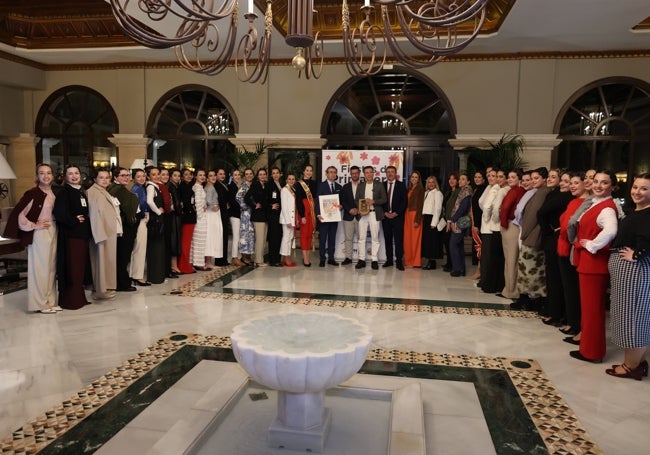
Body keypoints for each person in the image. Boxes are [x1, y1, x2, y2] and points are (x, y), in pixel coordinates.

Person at [568, 170, 620, 363]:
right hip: (589, 264)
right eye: (596, 181)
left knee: (592, 310)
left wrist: (590, 244)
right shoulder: (596, 203)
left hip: (594, 265)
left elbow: (611, 230)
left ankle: (592, 352)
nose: (598, 185)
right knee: (589, 309)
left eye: (604, 183)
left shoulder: (606, 208)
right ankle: (588, 348)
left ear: (612, 186)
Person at [606, 173, 650, 380]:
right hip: (626, 272)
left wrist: (638, 254)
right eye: (635, 187)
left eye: (644, 188)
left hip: (634, 272)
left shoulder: (648, 214)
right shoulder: (637, 212)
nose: (637, 192)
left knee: (634, 318)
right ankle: (636, 363)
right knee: (627, 317)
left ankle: (632, 366)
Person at [4, 163, 59, 313]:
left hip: (53, 230)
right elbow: (18, 214)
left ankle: (50, 301)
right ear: (37, 176)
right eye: (42, 173)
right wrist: (34, 225)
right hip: (40, 233)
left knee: (51, 269)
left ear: (53, 175)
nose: (45, 176)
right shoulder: (33, 193)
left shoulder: (53, 193)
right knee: (40, 269)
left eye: (48, 173)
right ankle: (40, 304)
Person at [53, 165, 92, 309]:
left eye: (76, 173)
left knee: (80, 268)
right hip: (72, 236)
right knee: (73, 269)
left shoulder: (80, 191)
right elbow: (60, 214)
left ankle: (79, 298)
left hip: (81, 235)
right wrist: (75, 220)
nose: (74, 176)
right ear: (65, 177)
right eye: (70, 174)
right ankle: (71, 301)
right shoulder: (64, 192)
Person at [537, 169, 573, 325]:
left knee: (556, 279)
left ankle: (556, 313)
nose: (550, 180)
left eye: (567, 181)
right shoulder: (554, 194)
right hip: (552, 239)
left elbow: (541, 213)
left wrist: (548, 230)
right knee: (553, 278)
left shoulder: (564, 196)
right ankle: (553, 311)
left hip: (557, 240)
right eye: (549, 177)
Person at [558, 172, 589, 341]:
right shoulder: (574, 201)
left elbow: (567, 226)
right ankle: (571, 321)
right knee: (568, 288)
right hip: (564, 246)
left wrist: (564, 232)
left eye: (576, 182)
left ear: (585, 184)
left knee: (572, 289)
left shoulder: (582, 203)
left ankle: (575, 324)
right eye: (571, 183)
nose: (572, 185)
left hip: (570, 248)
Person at [515, 167, 551, 311]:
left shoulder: (542, 193)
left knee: (530, 272)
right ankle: (527, 299)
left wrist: (524, 233)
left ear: (544, 179)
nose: (533, 181)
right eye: (533, 178)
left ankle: (531, 301)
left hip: (532, 236)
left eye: (536, 178)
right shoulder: (538, 192)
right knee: (528, 271)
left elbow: (532, 216)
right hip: (531, 235)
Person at [87, 169, 122, 300]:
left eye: (107, 177)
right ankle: (100, 290)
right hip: (101, 234)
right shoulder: (93, 192)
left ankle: (104, 287)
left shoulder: (102, 191)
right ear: (95, 179)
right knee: (100, 263)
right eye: (101, 177)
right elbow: (94, 215)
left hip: (108, 232)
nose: (105, 180)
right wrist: (99, 235)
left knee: (106, 262)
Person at [107, 167, 138, 293]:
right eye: (123, 175)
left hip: (120, 226)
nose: (126, 178)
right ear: (115, 177)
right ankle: (122, 283)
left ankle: (120, 282)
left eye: (128, 175)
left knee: (120, 255)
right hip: (124, 227)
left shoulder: (117, 189)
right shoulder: (118, 190)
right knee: (122, 256)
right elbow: (128, 210)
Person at [498, 169, 526, 300]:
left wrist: (503, 223)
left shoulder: (514, 191)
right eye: (508, 177)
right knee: (513, 259)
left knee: (510, 260)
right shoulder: (522, 191)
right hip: (515, 225)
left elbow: (504, 208)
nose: (509, 179)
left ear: (519, 179)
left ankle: (511, 291)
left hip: (510, 225)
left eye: (513, 177)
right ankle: (510, 289)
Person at [480, 169, 507, 292]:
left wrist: (487, 218)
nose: (492, 178)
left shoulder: (497, 189)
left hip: (491, 226)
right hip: (488, 225)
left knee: (490, 257)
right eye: (489, 175)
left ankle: (488, 282)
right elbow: (482, 203)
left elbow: (488, 207)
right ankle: (485, 280)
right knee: (487, 256)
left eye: (495, 176)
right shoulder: (489, 188)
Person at [355, 166, 387, 270]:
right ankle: (361, 259)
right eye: (366, 172)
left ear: (374, 173)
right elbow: (357, 200)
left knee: (375, 238)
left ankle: (374, 260)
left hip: (374, 213)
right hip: (363, 215)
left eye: (370, 172)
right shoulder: (360, 186)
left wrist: (373, 201)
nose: (369, 174)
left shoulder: (379, 185)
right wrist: (359, 209)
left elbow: (384, 199)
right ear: (364, 174)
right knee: (361, 238)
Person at [382, 165, 408, 270]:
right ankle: (389, 260)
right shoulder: (382, 185)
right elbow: (379, 200)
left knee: (398, 240)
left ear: (395, 173)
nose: (390, 173)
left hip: (397, 218)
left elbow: (404, 202)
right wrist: (385, 212)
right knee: (387, 239)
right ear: (386, 173)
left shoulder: (401, 185)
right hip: (386, 218)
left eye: (392, 172)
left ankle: (398, 261)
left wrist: (396, 213)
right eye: (388, 172)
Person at [316, 165, 342, 267]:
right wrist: (318, 214)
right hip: (323, 217)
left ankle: (331, 258)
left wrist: (341, 206)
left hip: (334, 218)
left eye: (334, 172)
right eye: (330, 172)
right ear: (326, 173)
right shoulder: (321, 186)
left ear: (336, 174)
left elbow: (341, 202)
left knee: (332, 238)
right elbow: (317, 201)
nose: (332, 174)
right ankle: (322, 258)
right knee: (322, 239)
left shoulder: (339, 187)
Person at [448, 174, 472, 276]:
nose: (461, 181)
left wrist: (453, 219)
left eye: (463, 179)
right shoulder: (462, 191)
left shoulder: (466, 192)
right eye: (460, 179)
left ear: (468, 181)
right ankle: (461, 269)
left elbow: (462, 208)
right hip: (458, 220)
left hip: (459, 221)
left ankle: (457, 269)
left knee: (453, 244)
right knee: (459, 245)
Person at [145, 166, 166, 283]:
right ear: (148, 176)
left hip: (157, 219)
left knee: (158, 248)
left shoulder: (155, 186)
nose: (157, 176)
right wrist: (158, 211)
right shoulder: (151, 187)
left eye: (158, 174)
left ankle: (158, 276)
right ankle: (155, 277)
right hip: (155, 221)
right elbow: (149, 201)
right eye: (154, 174)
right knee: (155, 248)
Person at [245, 168, 270, 266]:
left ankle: (260, 258)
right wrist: (254, 205)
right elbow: (246, 197)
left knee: (263, 239)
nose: (262, 176)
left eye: (264, 174)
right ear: (258, 176)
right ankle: (258, 260)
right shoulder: (255, 185)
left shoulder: (266, 185)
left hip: (265, 215)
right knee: (259, 239)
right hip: (258, 216)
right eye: (260, 174)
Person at [130, 169, 150, 286]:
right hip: (140, 220)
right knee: (140, 249)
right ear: (134, 178)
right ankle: (138, 276)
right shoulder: (138, 189)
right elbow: (141, 205)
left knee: (137, 248)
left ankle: (134, 274)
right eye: (138, 176)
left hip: (138, 220)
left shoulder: (136, 188)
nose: (142, 178)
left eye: (143, 176)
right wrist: (145, 214)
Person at [295, 164, 318, 267]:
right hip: (304, 212)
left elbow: (316, 199)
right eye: (307, 170)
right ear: (303, 172)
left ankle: (308, 256)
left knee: (310, 235)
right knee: (304, 235)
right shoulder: (299, 184)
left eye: (310, 170)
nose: (309, 172)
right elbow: (298, 200)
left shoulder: (314, 184)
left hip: (312, 212)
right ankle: (305, 258)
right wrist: (302, 215)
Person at [340, 165, 361, 266]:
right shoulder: (346, 187)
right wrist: (349, 209)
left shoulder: (364, 186)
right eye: (353, 173)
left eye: (356, 173)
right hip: (348, 216)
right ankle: (348, 257)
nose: (354, 175)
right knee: (348, 238)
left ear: (359, 173)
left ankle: (362, 258)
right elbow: (342, 201)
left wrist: (358, 210)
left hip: (361, 216)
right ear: (350, 174)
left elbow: (366, 200)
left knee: (362, 238)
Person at [158, 168, 178, 279]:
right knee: (165, 244)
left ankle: (168, 269)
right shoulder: (160, 187)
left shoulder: (165, 187)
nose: (165, 176)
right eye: (163, 174)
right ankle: (166, 270)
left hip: (168, 216)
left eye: (166, 175)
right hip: (164, 217)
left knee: (168, 243)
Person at [421, 176, 443, 270]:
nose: (430, 184)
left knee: (432, 241)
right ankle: (429, 260)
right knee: (427, 241)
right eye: (429, 182)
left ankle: (432, 262)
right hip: (426, 218)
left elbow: (438, 209)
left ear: (435, 183)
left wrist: (434, 222)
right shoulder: (426, 193)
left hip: (432, 218)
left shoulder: (438, 193)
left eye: (432, 182)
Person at [403, 170, 424, 268]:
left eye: (416, 177)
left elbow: (420, 206)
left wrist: (417, 219)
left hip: (415, 215)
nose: (414, 179)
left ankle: (416, 262)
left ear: (419, 179)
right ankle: (408, 260)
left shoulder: (420, 189)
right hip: (407, 215)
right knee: (407, 239)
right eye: (412, 177)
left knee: (415, 239)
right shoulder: (408, 189)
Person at [468, 171, 487, 279]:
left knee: (479, 247)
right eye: (475, 177)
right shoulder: (476, 190)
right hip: (474, 221)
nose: (477, 179)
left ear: (483, 179)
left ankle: (479, 272)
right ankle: (478, 271)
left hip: (479, 223)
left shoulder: (484, 190)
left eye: (479, 177)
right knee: (477, 248)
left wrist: (477, 224)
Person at [203, 170, 223, 270]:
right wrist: (213, 206)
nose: (213, 177)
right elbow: (207, 201)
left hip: (212, 214)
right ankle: (208, 262)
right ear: (207, 178)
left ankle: (208, 261)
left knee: (210, 237)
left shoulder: (209, 187)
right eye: (210, 176)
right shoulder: (210, 187)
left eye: (214, 175)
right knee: (210, 237)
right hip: (211, 214)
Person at [178, 168, 197, 274]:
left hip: (190, 217)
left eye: (190, 174)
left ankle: (186, 264)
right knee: (185, 243)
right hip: (187, 218)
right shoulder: (183, 187)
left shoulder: (190, 186)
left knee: (188, 242)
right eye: (186, 174)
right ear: (182, 176)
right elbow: (185, 202)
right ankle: (184, 266)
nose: (188, 176)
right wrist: (192, 209)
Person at [236, 168, 255, 265]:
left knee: (251, 234)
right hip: (246, 213)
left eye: (250, 173)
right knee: (245, 234)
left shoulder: (254, 185)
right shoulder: (243, 186)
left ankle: (249, 255)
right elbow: (238, 197)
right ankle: (244, 256)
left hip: (253, 213)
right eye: (247, 174)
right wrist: (246, 207)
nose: (249, 175)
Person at [191, 169, 209, 270]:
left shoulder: (200, 187)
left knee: (200, 241)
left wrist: (205, 206)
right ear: (195, 176)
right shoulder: (197, 188)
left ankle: (198, 261)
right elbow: (197, 204)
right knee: (199, 241)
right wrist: (200, 217)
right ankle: (198, 263)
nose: (202, 177)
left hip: (202, 217)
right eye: (200, 175)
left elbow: (202, 202)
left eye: (203, 175)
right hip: (200, 219)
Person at [441, 172, 459, 272]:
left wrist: (450, 220)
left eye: (454, 179)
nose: (451, 181)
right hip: (446, 221)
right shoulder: (448, 192)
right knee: (447, 243)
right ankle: (448, 263)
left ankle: (452, 264)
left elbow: (455, 208)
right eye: (450, 179)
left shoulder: (458, 192)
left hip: (452, 222)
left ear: (457, 181)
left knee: (451, 244)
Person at [167, 168, 183, 274]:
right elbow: (174, 203)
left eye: (178, 176)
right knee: (174, 240)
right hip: (173, 216)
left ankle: (174, 265)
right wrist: (179, 210)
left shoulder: (176, 186)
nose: (177, 178)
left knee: (176, 240)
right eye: (175, 175)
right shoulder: (170, 187)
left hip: (176, 215)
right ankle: (173, 265)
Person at [214, 168, 232, 266]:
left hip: (225, 213)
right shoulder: (216, 185)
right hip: (220, 214)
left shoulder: (223, 185)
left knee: (224, 236)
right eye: (220, 174)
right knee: (221, 236)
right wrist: (223, 205)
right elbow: (218, 199)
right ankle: (220, 260)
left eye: (223, 174)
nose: (222, 175)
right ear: (216, 175)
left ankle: (223, 259)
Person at [267, 167, 284, 267]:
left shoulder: (281, 184)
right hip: (272, 215)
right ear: (271, 175)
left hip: (280, 215)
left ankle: (278, 258)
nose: (275, 175)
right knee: (273, 237)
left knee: (278, 237)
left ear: (280, 174)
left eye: (277, 173)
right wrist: (270, 206)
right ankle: (273, 260)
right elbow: (265, 199)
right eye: (273, 173)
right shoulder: (269, 185)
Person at [280, 173, 297, 267]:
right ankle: (286, 258)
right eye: (289, 179)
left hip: (292, 218)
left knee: (290, 238)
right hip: (287, 219)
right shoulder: (284, 190)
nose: (291, 181)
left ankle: (286, 257)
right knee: (286, 238)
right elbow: (284, 207)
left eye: (293, 179)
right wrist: (288, 221)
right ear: (286, 180)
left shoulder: (293, 189)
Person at [228, 169, 244, 266]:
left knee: (239, 236)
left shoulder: (240, 186)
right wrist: (242, 207)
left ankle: (238, 255)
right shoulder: (231, 187)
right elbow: (232, 201)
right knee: (236, 236)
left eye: (238, 175)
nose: (237, 176)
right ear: (232, 176)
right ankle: (234, 257)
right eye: (235, 175)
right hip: (234, 214)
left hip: (240, 214)